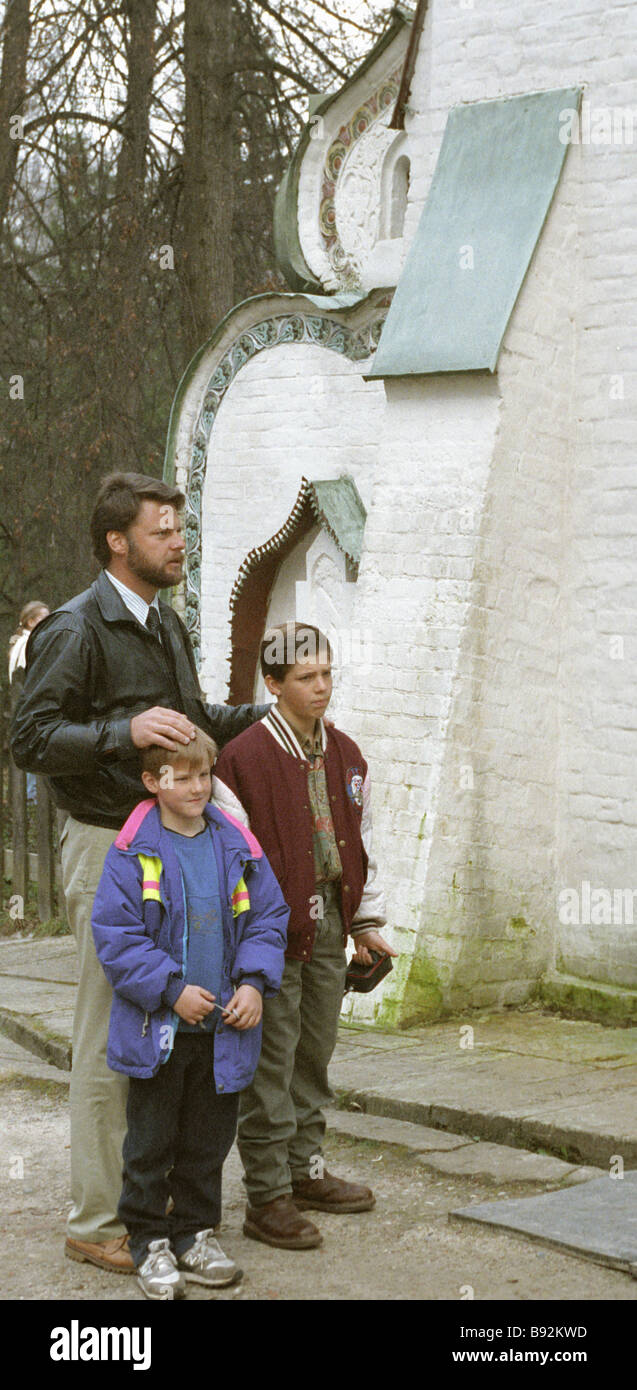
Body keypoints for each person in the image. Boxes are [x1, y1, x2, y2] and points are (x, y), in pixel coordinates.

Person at [10, 472, 268, 1273]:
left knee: (168, 1035)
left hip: (181, 844)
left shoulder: (168, 626)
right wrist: (122, 732)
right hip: (106, 845)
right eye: (163, 531)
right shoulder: (75, 628)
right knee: (111, 1035)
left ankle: (152, 1211)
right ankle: (94, 1221)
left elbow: (193, 724)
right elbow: (29, 738)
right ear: (117, 541)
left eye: (180, 530)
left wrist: (273, 719)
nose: (178, 543)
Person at [213, 621, 398, 1250]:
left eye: (326, 674)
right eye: (305, 677)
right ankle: (267, 1197)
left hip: (329, 924)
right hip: (266, 931)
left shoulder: (347, 754)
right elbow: (232, 860)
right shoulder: (242, 759)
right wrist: (245, 941)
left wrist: (366, 923)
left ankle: (306, 1170)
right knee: (271, 1060)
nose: (320, 687)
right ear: (273, 683)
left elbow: (363, 842)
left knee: (314, 1053)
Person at [91, 726, 288, 1299]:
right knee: (150, 1141)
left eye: (206, 775)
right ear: (153, 782)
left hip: (223, 1031)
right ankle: (149, 1241)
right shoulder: (133, 851)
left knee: (208, 1140)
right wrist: (171, 989)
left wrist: (253, 983)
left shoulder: (237, 845)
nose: (199, 787)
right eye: (184, 777)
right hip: (161, 1030)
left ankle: (195, 1234)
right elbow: (118, 937)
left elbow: (268, 919)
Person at [7, 600, 50, 800]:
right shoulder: (29, 643)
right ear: (32, 621)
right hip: (30, 703)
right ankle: (32, 796)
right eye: (44, 617)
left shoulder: (22, 641)